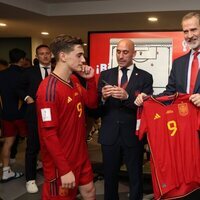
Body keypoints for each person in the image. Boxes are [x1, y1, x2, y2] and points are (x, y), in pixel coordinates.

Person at [135, 12, 200, 199]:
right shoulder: (179, 63)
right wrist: (148, 98)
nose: (189, 35)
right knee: (189, 186)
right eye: (185, 31)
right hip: (185, 133)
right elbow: (169, 93)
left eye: (193, 29)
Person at [36, 34, 97, 200]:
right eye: (79, 55)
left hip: (80, 154)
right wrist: (64, 169)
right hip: (61, 162)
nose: (83, 59)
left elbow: (91, 103)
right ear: (62, 56)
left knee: (90, 191)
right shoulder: (48, 89)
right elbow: (48, 135)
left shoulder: (73, 80)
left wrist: (91, 81)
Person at [97, 39, 153, 200]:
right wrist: (102, 98)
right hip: (109, 135)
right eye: (118, 52)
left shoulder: (145, 77)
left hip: (132, 136)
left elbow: (146, 109)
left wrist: (128, 97)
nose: (121, 56)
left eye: (125, 52)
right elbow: (96, 108)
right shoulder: (105, 75)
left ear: (134, 54)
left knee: (135, 177)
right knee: (110, 176)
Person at [17, 44, 52, 193]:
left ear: (51, 54)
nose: (44, 56)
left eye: (47, 53)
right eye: (41, 54)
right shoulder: (29, 72)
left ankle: (54, 174)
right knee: (33, 146)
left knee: (53, 145)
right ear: (37, 56)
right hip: (34, 114)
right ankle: (30, 179)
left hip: (54, 114)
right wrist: (26, 97)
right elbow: (17, 87)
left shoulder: (58, 70)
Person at [0, 48, 27, 182]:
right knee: (32, 141)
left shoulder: (1, 74)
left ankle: (5, 170)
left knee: (8, 143)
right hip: (22, 114)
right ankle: (36, 164)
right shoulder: (24, 74)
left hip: (6, 114)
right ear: (22, 60)